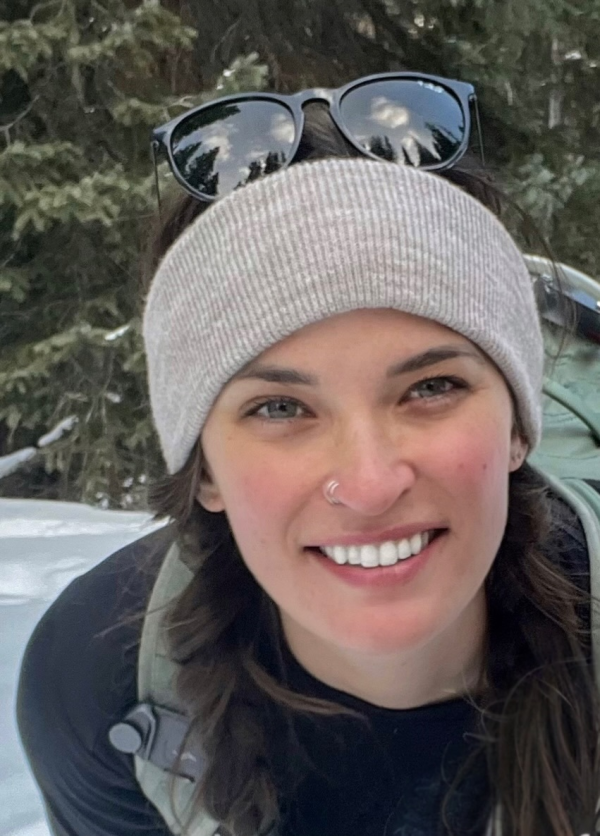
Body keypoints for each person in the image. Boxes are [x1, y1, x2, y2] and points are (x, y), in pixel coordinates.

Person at [17, 73, 600, 836]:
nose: (368, 483)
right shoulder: (101, 682)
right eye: (279, 407)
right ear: (204, 466)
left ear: (519, 424)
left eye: (430, 387)